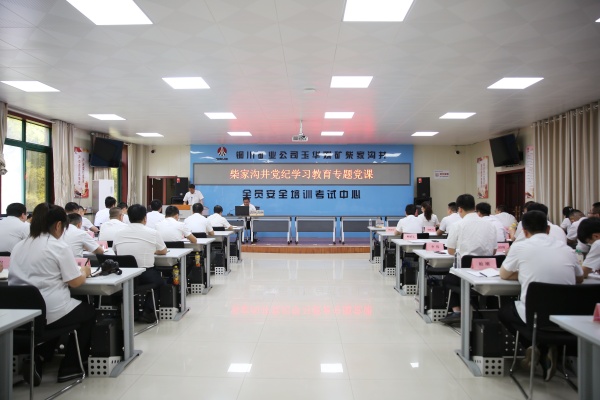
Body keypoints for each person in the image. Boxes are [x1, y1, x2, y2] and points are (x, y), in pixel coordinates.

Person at [9, 203, 95, 383]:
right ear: (58, 225)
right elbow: (75, 282)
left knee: (58, 319)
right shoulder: (58, 247)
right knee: (88, 312)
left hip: (20, 315)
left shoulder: (19, 246)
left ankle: (39, 357)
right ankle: (71, 366)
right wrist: (85, 271)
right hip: (50, 311)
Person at [499, 210, 583, 381]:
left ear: (524, 231)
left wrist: (524, 273)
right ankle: (548, 349)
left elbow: (504, 275)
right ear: (548, 229)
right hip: (568, 317)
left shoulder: (520, 247)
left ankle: (534, 346)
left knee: (504, 312)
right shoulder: (566, 249)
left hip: (535, 315)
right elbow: (579, 278)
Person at [441, 194, 497, 324]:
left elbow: (450, 250)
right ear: (474, 207)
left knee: (448, 279)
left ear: (459, 209)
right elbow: (494, 251)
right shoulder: (490, 225)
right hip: (488, 273)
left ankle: (457, 311)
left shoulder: (458, 225)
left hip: (465, 273)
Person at [113, 204, 168, 323]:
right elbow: (163, 251)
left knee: (131, 286)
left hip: (123, 275)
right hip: (144, 273)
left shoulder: (118, 233)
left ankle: (133, 312)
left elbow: (115, 251)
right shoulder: (153, 233)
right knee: (160, 283)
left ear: (128, 217)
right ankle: (148, 311)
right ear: (145, 218)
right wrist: (152, 250)